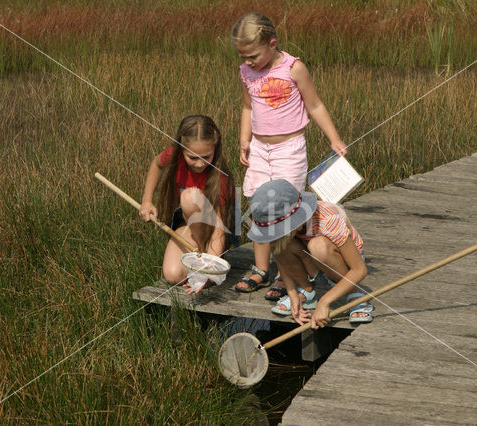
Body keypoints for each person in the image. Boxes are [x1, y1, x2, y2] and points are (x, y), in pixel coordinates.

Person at [231, 12, 348, 299]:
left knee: (286, 210)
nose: (248, 62)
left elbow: (315, 104)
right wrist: (244, 139)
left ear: (272, 44)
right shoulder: (246, 72)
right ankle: (261, 268)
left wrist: (334, 139)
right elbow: (248, 108)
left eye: (253, 55)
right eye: (243, 56)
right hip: (260, 148)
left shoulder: (294, 68)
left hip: (289, 149)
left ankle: (288, 275)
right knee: (259, 206)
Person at [247, 179, 373, 328]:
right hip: (314, 260)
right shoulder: (291, 229)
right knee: (280, 244)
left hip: (344, 263)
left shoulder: (328, 219)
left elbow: (360, 270)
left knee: (318, 246)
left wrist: (324, 302)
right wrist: (292, 294)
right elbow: (280, 256)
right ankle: (307, 291)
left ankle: (355, 294)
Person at [139, 115, 234, 291]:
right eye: (193, 157)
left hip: (214, 232)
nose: (200, 164)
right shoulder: (174, 155)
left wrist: (210, 272)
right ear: (182, 148)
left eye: (206, 157)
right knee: (172, 275)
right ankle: (197, 255)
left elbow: (220, 229)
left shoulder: (220, 178)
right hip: (188, 226)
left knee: (189, 197)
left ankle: (206, 258)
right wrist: (146, 201)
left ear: (215, 147)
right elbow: (157, 164)